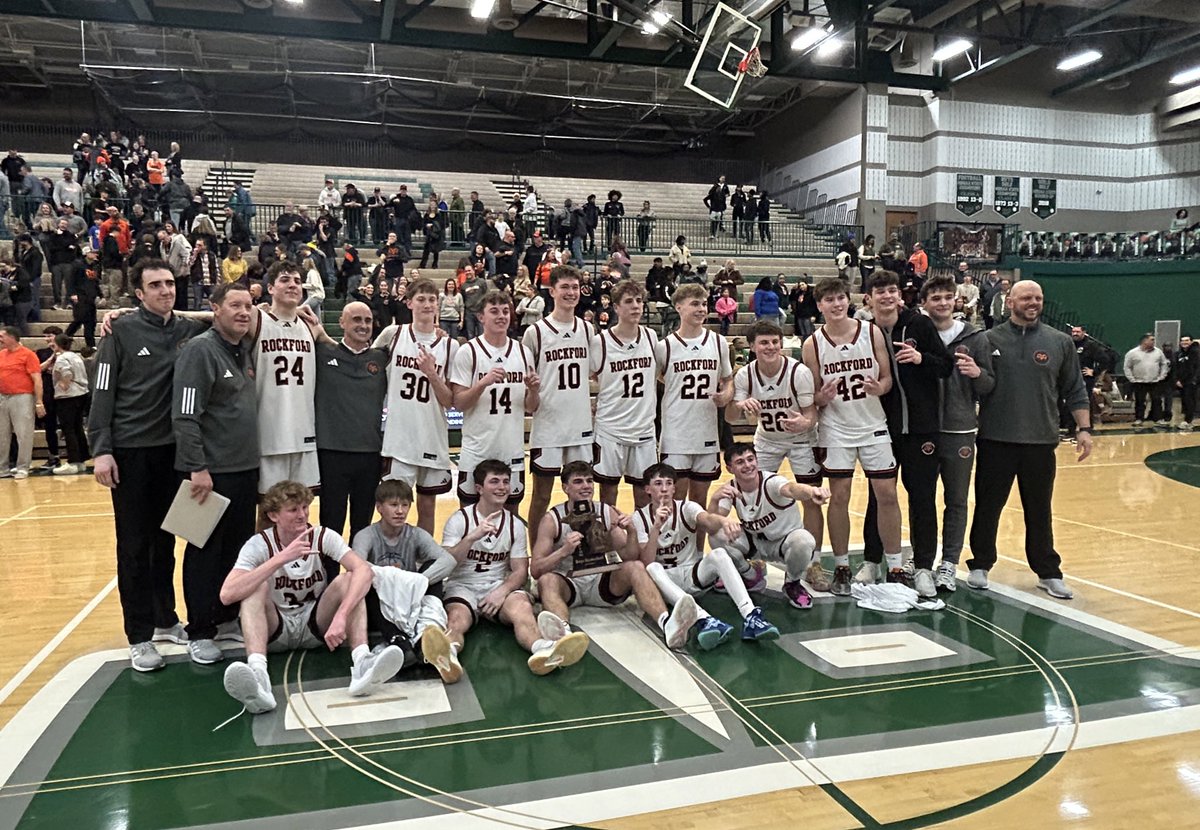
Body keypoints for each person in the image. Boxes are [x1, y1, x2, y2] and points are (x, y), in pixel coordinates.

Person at [89, 259, 206, 665]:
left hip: (175, 455)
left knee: (168, 542)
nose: (165, 290)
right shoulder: (119, 331)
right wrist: (101, 449)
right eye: (155, 285)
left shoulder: (188, 330)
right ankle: (138, 634)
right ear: (138, 293)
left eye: (170, 283)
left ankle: (165, 618)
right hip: (131, 453)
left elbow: (225, 315)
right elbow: (101, 393)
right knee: (134, 547)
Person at [218, 481, 405, 715]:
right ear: (274, 515)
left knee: (350, 580)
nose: (302, 514)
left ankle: (362, 662)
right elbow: (227, 594)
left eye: (305, 507)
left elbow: (364, 571)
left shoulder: (321, 536)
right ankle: (259, 677)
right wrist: (280, 558)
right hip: (276, 628)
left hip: (315, 624)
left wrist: (341, 616)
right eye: (293, 509)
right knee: (253, 588)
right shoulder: (259, 544)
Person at [967, 280, 1092, 599]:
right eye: (1026, 297)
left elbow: (1075, 389)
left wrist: (1084, 429)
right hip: (996, 438)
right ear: (1010, 302)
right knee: (988, 506)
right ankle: (980, 564)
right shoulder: (988, 339)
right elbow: (979, 385)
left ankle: (1048, 571)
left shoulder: (1060, 342)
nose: (1033, 302)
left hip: (1041, 440)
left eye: (1038, 298)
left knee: (1039, 509)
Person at [433, 460, 591, 680]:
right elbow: (447, 563)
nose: (502, 487)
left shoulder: (515, 524)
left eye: (506, 481)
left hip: (498, 585)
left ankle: (542, 650)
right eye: (494, 481)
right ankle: (447, 656)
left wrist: (501, 592)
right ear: (479, 488)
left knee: (523, 608)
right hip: (463, 585)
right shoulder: (460, 520)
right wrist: (471, 538)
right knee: (457, 619)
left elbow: (520, 570)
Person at [801, 277, 901, 598]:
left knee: (887, 494)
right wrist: (821, 396)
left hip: (872, 424)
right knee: (839, 497)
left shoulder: (870, 332)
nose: (836, 304)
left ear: (849, 301)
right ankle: (842, 565)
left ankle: (896, 566)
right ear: (820, 306)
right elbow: (812, 396)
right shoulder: (812, 344)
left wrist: (878, 388)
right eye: (829, 300)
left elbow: (886, 379)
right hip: (835, 429)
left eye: (841, 298)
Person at [857, 270, 953, 596]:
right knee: (879, 497)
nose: (886, 296)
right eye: (880, 291)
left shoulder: (920, 325)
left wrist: (920, 357)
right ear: (868, 298)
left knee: (922, 497)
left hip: (921, 428)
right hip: (879, 429)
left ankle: (924, 565)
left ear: (900, 295)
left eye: (892, 290)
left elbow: (946, 365)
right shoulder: (863, 332)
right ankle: (872, 560)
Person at [531, 461, 697, 650]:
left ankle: (667, 623)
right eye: (578, 481)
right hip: (571, 583)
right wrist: (563, 551)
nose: (586, 486)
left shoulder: (605, 511)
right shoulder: (552, 519)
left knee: (636, 567)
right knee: (546, 581)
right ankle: (564, 636)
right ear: (565, 488)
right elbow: (536, 569)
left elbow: (629, 555)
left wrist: (632, 532)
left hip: (602, 584)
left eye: (589, 481)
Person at [636, 462, 780, 648]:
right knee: (651, 567)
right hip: (665, 583)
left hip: (693, 576)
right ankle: (704, 619)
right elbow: (646, 560)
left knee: (719, 553)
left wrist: (724, 520)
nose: (664, 489)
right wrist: (656, 527)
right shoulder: (639, 518)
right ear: (647, 489)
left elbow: (708, 522)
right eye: (658, 484)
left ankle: (751, 615)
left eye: (669, 483)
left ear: (674, 488)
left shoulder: (687, 508)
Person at [727, 320, 825, 567]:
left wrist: (804, 423)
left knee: (811, 497)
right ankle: (759, 553)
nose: (770, 347)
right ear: (752, 346)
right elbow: (732, 412)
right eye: (764, 343)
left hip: (802, 440)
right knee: (753, 495)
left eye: (775, 342)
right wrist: (740, 405)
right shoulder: (745, 374)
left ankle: (814, 561)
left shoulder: (798, 373)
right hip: (767, 439)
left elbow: (811, 414)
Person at [919, 277, 995, 592]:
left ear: (956, 301)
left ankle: (949, 562)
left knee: (957, 500)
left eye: (947, 297)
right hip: (923, 429)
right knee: (921, 499)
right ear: (924, 303)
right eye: (935, 298)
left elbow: (990, 384)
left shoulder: (976, 338)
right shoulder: (916, 334)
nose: (942, 303)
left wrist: (978, 374)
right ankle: (922, 558)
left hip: (960, 428)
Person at [376, 279, 458, 533]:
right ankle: (391, 561)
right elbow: (366, 367)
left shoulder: (450, 345)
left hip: (432, 435)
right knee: (394, 506)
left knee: (427, 505)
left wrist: (432, 374)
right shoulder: (393, 334)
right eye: (421, 299)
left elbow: (450, 401)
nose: (427, 304)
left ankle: (423, 565)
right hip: (399, 438)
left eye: (432, 299)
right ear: (409, 302)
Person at [709, 444, 832, 608]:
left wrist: (812, 491)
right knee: (716, 535)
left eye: (750, 459)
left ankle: (792, 583)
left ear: (757, 461)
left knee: (805, 540)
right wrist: (714, 500)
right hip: (755, 544)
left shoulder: (771, 482)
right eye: (740, 462)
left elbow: (792, 489)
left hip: (784, 544)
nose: (747, 465)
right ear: (729, 468)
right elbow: (711, 524)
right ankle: (750, 575)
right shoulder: (730, 489)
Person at [307, 301, 388, 542]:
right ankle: (330, 578)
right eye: (356, 319)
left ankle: (358, 579)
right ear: (342, 322)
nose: (363, 325)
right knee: (331, 525)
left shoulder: (381, 358)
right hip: (332, 454)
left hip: (370, 454)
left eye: (367, 320)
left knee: (362, 528)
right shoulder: (322, 352)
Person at [523, 266, 593, 544]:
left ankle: (587, 551)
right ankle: (535, 556)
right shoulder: (536, 333)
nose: (571, 292)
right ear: (551, 291)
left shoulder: (588, 330)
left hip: (579, 425)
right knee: (541, 494)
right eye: (564, 287)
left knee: (583, 493)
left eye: (575, 287)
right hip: (549, 425)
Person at [450, 289, 539, 507]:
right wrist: (482, 383)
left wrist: (534, 390)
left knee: (511, 516)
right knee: (470, 515)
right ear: (481, 317)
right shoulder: (468, 351)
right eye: (494, 311)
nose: (501, 316)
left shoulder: (523, 352)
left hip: (512, 449)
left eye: (505, 311)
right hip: (477, 449)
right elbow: (459, 403)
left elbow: (531, 407)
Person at [656, 283, 733, 512]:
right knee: (674, 501)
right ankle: (674, 548)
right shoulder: (664, 347)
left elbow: (728, 380)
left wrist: (725, 396)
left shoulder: (718, 342)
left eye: (703, 304)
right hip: (676, 434)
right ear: (678, 307)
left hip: (707, 432)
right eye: (694, 304)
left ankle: (698, 550)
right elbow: (658, 378)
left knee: (699, 502)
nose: (701, 309)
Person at [249, 261, 319, 495]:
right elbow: (219, 314)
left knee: (302, 507)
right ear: (270, 288)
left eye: (297, 281)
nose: (293, 285)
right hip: (269, 433)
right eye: (285, 280)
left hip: (304, 432)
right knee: (270, 510)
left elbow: (347, 351)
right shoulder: (257, 319)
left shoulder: (312, 326)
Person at [590, 280, 660, 510]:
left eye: (639, 301)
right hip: (610, 429)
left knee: (644, 496)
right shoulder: (600, 342)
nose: (636, 306)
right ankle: (609, 545)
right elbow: (585, 378)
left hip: (644, 429)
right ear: (616, 307)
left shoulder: (651, 337)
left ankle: (641, 543)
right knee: (608, 495)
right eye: (629, 301)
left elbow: (662, 376)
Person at [0, 326, 43, 480]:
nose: (0, 339)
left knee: (23, 434)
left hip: (22, 397)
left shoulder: (28, 355)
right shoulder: (1, 354)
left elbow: (37, 379)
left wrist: (39, 401)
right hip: (2, 397)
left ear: (12, 337)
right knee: (2, 435)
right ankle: (2, 467)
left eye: (2, 336)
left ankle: (23, 467)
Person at [49, 333, 90, 475]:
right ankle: (81, 459)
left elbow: (66, 373)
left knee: (69, 429)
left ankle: (73, 461)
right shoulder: (76, 356)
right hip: (81, 393)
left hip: (68, 396)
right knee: (77, 427)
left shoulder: (62, 358)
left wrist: (64, 384)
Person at [1124, 333, 1170, 426]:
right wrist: (1131, 379)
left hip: (1155, 381)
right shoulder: (1132, 353)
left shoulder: (1158, 352)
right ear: (1144, 341)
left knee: (1157, 401)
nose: (1154, 341)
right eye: (1151, 339)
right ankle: (1139, 419)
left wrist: (1162, 376)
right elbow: (1127, 367)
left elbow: (1164, 364)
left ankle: (1158, 419)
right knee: (1140, 401)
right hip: (1139, 382)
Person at [1173, 334, 1198, 430]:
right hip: (1181, 382)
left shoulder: (1196, 352)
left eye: (1187, 340)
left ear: (1191, 341)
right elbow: (1176, 368)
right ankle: (1186, 419)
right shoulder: (1179, 354)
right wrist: (1177, 380)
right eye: (1182, 340)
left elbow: (1196, 368)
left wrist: (1194, 380)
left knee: (1190, 401)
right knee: (1184, 401)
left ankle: (1188, 421)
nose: (1185, 342)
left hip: (1192, 382)